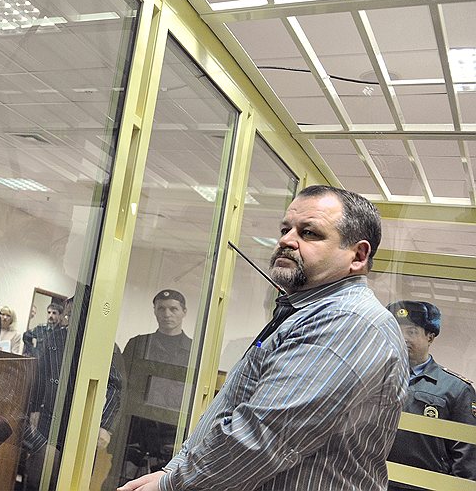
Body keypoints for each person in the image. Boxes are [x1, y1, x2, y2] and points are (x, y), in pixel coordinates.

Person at [119, 185, 409, 491]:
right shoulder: (301, 312)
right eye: (285, 229)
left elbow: (263, 436)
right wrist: (174, 471)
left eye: (309, 233)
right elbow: (233, 405)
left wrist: (172, 484)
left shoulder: (348, 321)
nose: (286, 240)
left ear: (358, 255)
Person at [25, 294, 122, 490]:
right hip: (49, 419)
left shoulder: (105, 344)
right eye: (70, 311)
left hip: (82, 424)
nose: (71, 315)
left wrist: (104, 426)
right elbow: (42, 374)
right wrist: (34, 409)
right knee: (38, 477)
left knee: (71, 480)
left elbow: (115, 386)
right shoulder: (56, 337)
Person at [386, 300, 476, 489]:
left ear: (430, 337)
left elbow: (466, 456)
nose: (403, 338)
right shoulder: (376, 379)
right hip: (378, 482)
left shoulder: (455, 389)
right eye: (397, 331)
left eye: (412, 332)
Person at [117, 289, 192, 483]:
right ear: (155, 311)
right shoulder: (138, 344)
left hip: (172, 432)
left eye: (173, 309)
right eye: (161, 308)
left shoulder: (195, 351)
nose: (167, 314)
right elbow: (121, 386)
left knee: (163, 483)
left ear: (184, 312)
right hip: (136, 429)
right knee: (122, 480)